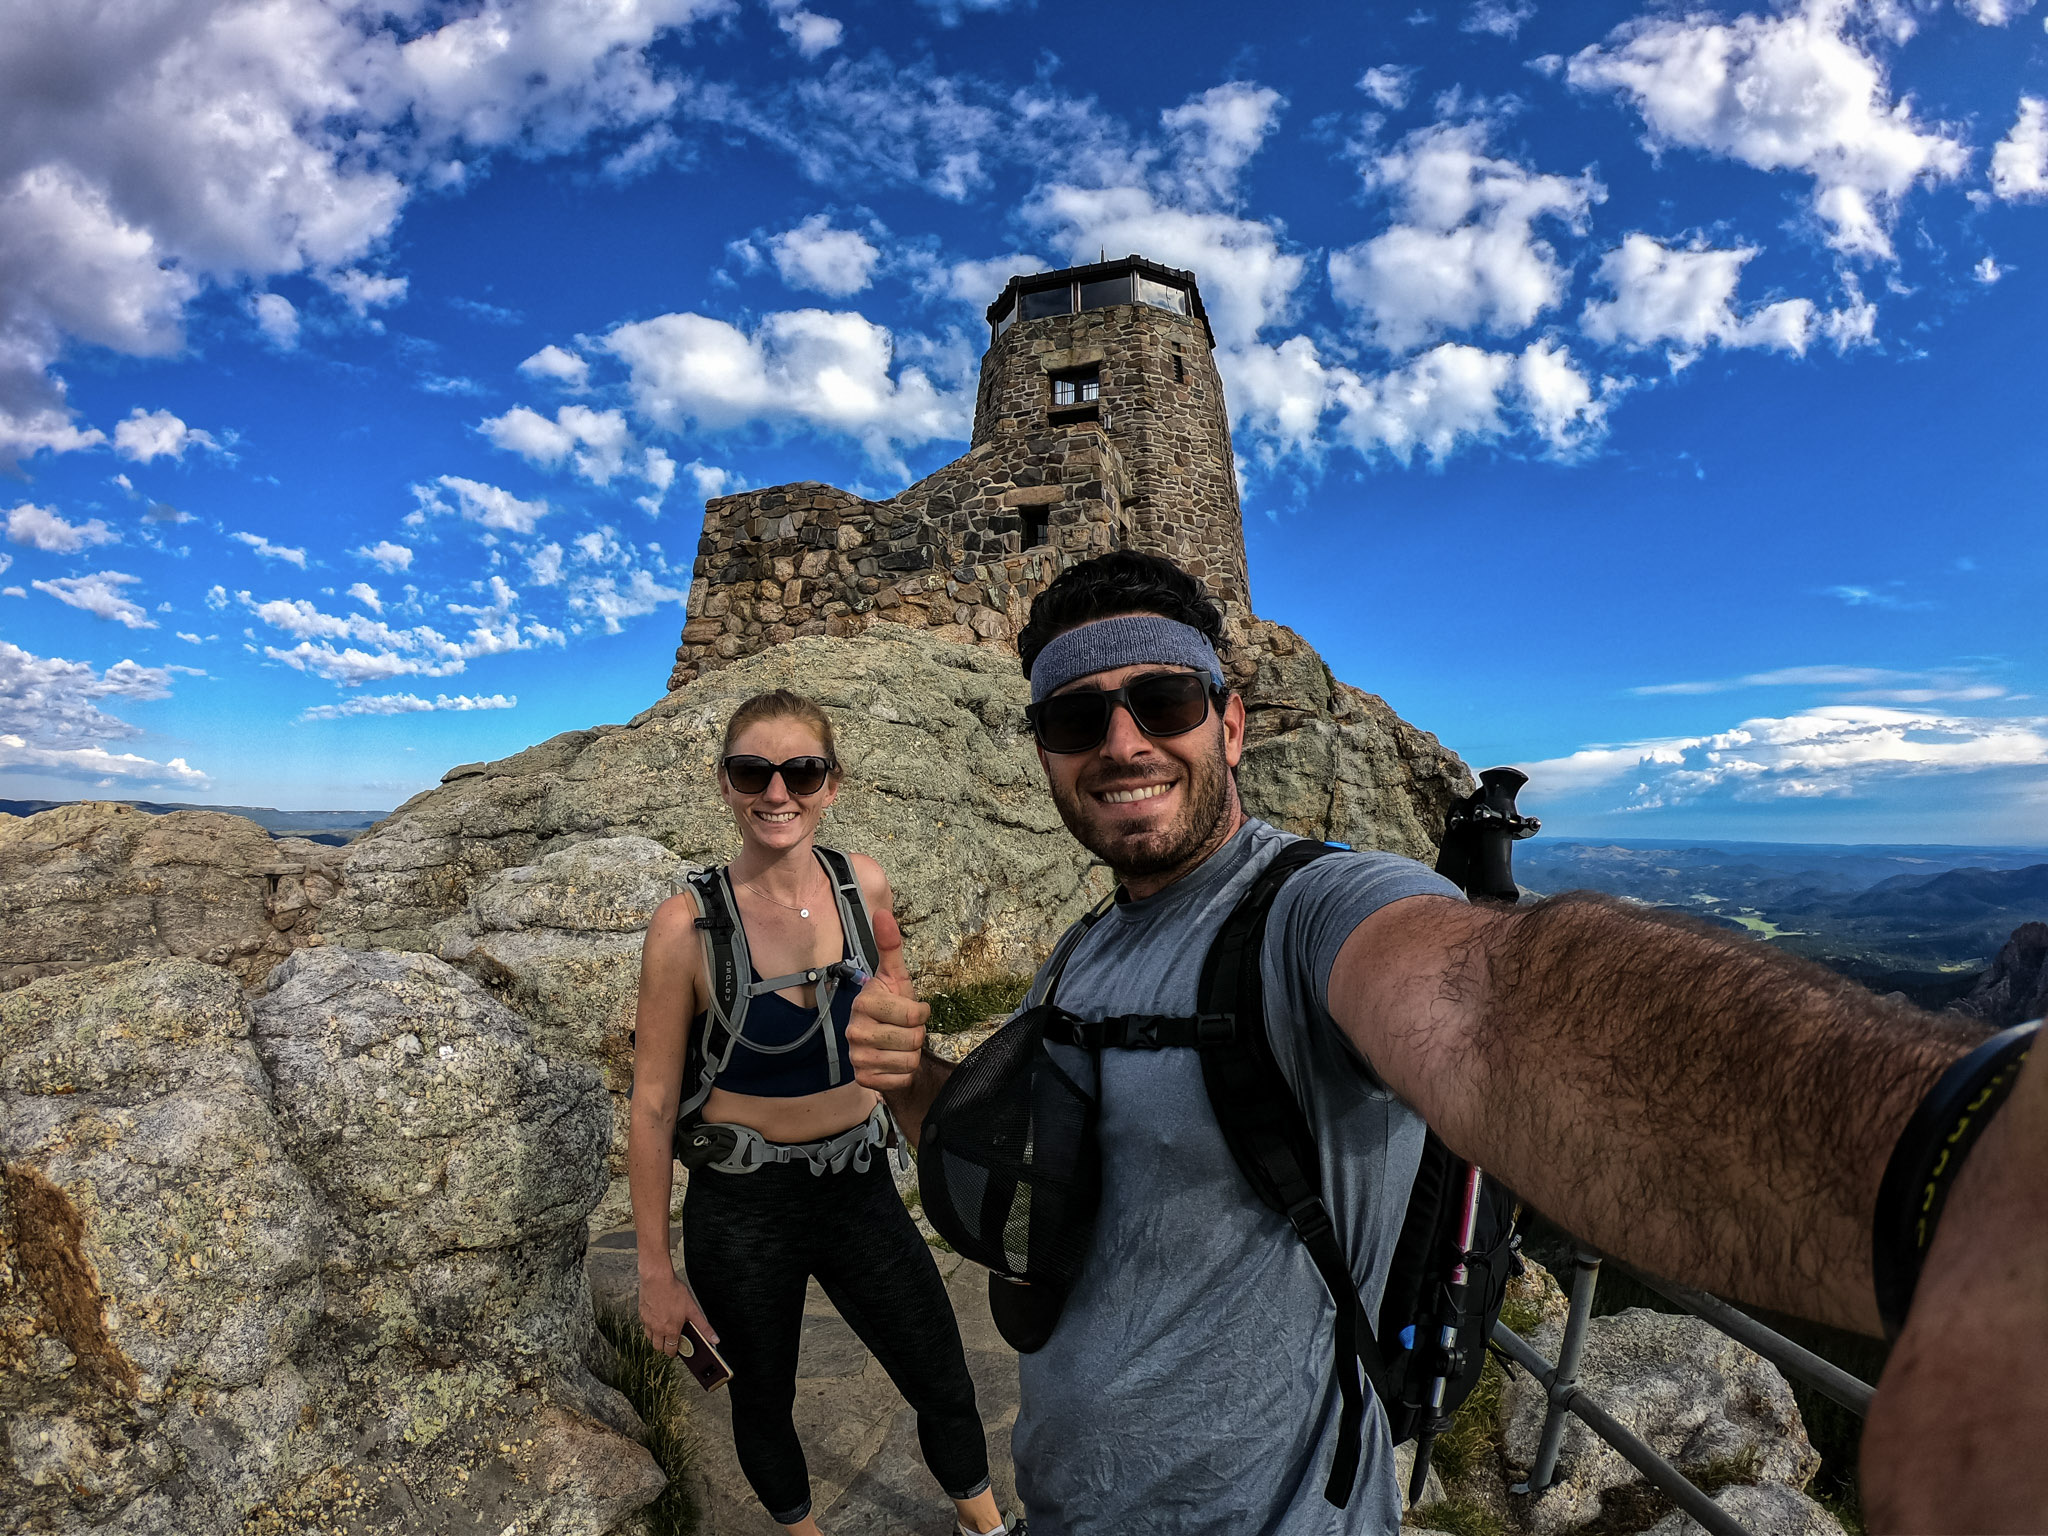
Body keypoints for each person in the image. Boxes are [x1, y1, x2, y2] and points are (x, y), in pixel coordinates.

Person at [844, 550, 2048, 1534]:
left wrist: (1956, 1170)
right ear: (1044, 745)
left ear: (1230, 722)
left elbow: (1490, 1003)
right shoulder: (1082, 951)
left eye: (1160, 702)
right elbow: (1040, 1179)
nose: (1119, 741)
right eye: (1074, 715)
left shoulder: (1307, 912)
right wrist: (915, 1083)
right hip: (1066, 1498)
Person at [629, 689, 1015, 1536]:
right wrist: (656, 1274)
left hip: (859, 1185)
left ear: (832, 784)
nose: (778, 793)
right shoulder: (684, 927)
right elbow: (654, 1106)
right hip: (742, 1209)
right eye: (752, 772)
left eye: (802, 771)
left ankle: (985, 1525)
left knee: (944, 1377)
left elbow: (892, 1029)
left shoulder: (862, 887)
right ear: (724, 785)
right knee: (762, 1402)